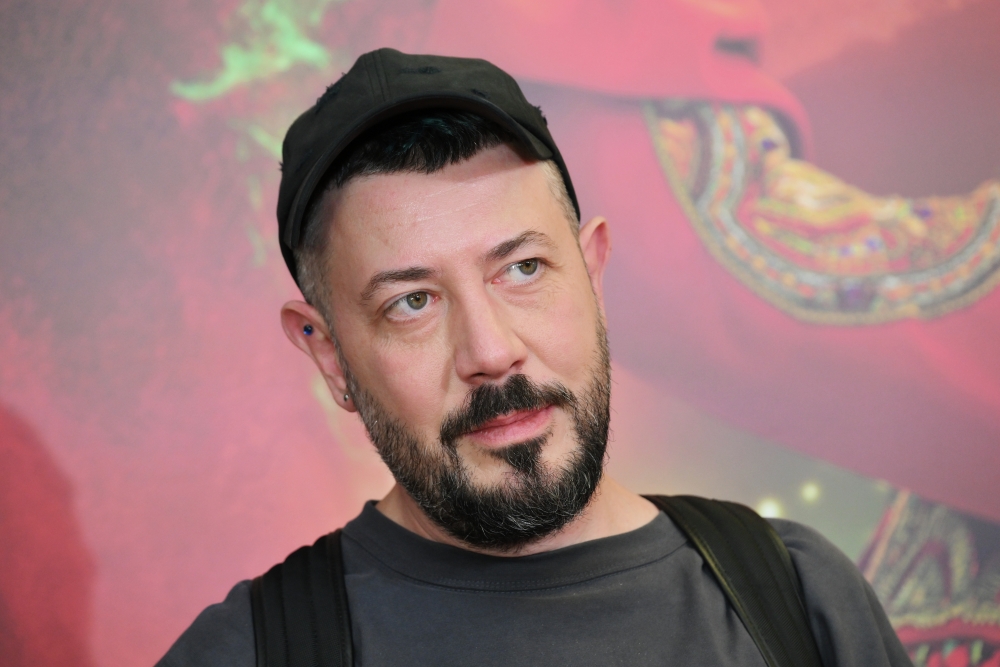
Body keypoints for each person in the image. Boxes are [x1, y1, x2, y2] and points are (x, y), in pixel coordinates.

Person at [157, 48, 911, 667]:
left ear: (594, 273)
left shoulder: (799, 597)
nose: (491, 352)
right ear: (328, 355)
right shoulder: (246, 653)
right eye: (412, 302)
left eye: (523, 269)